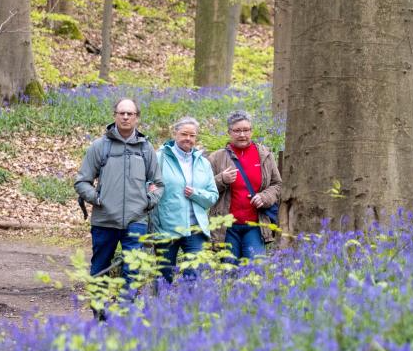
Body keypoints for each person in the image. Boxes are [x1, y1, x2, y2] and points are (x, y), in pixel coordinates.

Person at [74, 97, 164, 293]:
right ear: (114, 116)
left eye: (129, 114)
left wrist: (148, 201)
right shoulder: (100, 146)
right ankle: (100, 315)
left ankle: (125, 316)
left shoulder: (145, 148)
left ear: (136, 118)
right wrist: (97, 199)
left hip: (136, 220)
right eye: (121, 113)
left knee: (132, 271)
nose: (125, 117)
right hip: (104, 220)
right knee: (99, 269)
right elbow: (81, 181)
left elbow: (158, 183)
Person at [151, 116, 219, 284]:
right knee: (164, 276)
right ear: (175, 133)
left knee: (194, 276)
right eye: (184, 134)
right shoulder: (159, 158)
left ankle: (189, 308)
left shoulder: (203, 163)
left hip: (195, 228)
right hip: (167, 226)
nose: (188, 138)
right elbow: (148, 186)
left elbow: (213, 196)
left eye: (192, 135)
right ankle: (162, 309)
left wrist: (195, 193)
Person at [207, 110, 282, 261]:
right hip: (226, 227)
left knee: (255, 268)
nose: (242, 135)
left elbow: (277, 184)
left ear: (252, 131)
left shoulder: (265, 155)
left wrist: (264, 197)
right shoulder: (216, 157)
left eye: (246, 130)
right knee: (229, 270)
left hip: (255, 224)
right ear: (229, 132)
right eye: (237, 131)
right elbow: (204, 188)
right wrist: (222, 179)